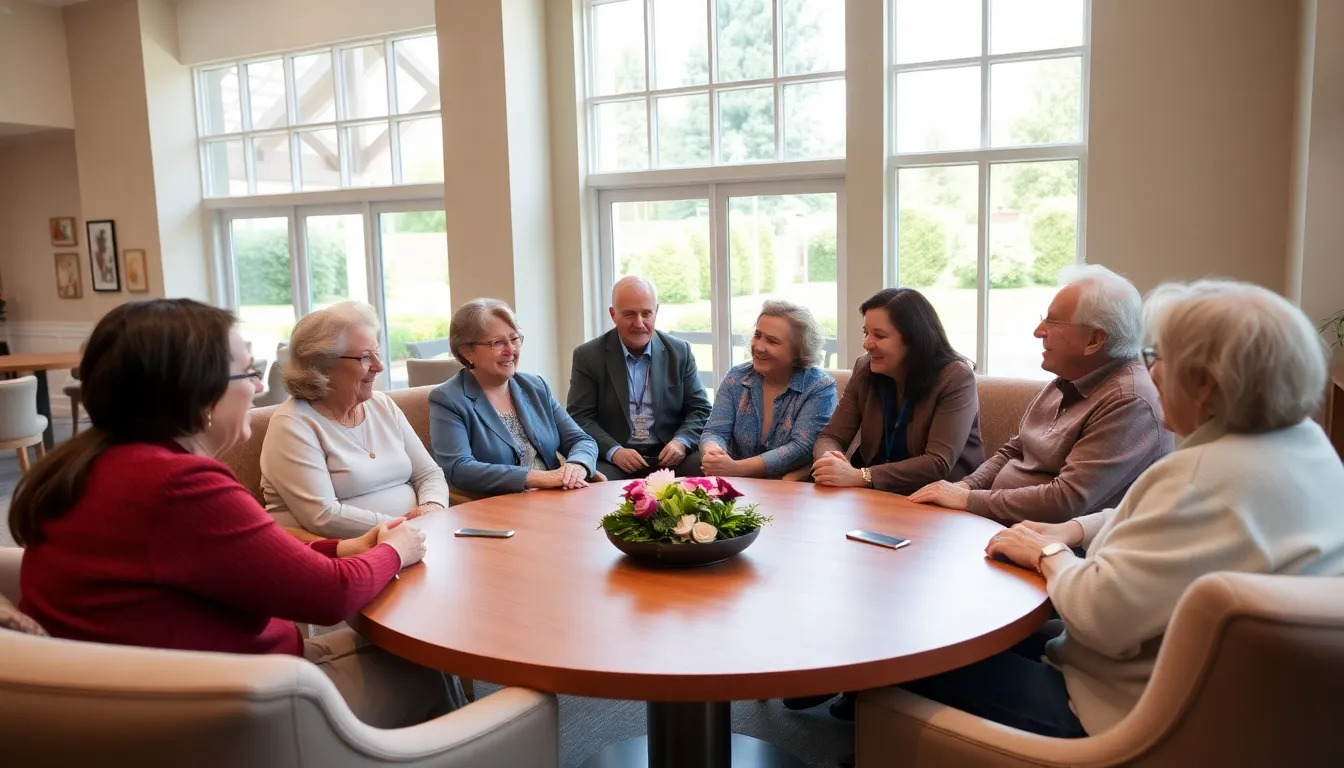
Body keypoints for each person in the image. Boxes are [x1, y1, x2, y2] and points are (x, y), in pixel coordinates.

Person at [886, 278, 1344, 738]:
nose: (1152, 373)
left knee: (912, 646)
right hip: (1205, 684)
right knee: (968, 629)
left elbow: (1099, 617)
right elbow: (1165, 525)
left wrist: (1048, 555)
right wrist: (1076, 530)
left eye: (1157, 357)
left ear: (1203, 383)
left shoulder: (1199, 477)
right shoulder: (1303, 450)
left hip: (1116, 709)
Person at [10, 299, 457, 729]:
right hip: (227, 707)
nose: (261, 387)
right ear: (200, 393)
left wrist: (340, 547)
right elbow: (329, 598)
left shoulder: (91, 463)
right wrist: (395, 550)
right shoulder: (180, 486)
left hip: (140, 693)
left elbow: (237, 554)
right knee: (430, 665)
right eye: (248, 371)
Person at [910, 265, 1173, 524]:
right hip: (1001, 524)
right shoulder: (1067, 380)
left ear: (1094, 340)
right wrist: (966, 487)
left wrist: (969, 501)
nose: (1039, 331)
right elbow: (1014, 449)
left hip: (1058, 548)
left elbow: (1065, 501)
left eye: (1052, 321)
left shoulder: (1129, 401)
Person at [261, 302, 449, 538]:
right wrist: (402, 527)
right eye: (365, 357)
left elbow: (428, 473)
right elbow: (324, 516)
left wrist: (433, 507)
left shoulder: (382, 406)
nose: (379, 366)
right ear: (322, 367)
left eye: (377, 353)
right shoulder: (292, 425)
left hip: (413, 537)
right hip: (340, 554)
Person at [810, 288, 985, 493]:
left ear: (914, 340)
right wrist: (832, 460)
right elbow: (830, 436)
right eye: (866, 332)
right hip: (874, 494)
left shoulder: (955, 376)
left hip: (941, 497)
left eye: (880, 335)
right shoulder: (865, 367)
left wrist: (862, 476)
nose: (866, 343)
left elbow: (938, 462)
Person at [430, 298, 599, 498]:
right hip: (499, 508)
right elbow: (459, 469)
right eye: (498, 343)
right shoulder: (448, 399)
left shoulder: (535, 387)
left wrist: (577, 465)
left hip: (556, 497)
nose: (511, 350)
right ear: (468, 353)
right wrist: (541, 478)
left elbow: (580, 439)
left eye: (514, 338)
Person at [567, 276, 712, 480]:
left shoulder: (680, 352)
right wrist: (614, 451)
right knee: (590, 480)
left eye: (646, 313)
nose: (639, 323)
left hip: (669, 457)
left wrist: (681, 441)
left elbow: (701, 409)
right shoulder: (588, 356)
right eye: (629, 314)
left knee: (707, 469)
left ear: (656, 311)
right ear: (613, 314)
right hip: (617, 460)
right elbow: (579, 417)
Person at [699, 300, 837, 478]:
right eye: (757, 335)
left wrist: (735, 469)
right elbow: (715, 431)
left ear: (798, 350)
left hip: (791, 489)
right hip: (733, 482)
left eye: (772, 341)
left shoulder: (819, 388)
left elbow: (801, 447)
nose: (758, 347)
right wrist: (713, 454)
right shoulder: (736, 377)